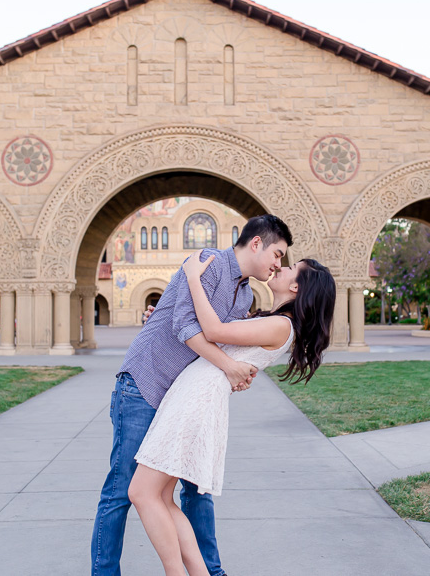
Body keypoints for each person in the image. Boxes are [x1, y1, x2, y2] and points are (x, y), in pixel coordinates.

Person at [91, 215, 293, 576]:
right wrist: (229, 367)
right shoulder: (207, 263)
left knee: (195, 491)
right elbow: (185, 326)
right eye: (277, 254)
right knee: (122, 490)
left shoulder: (245, 293)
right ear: (257, 243)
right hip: (144, 384)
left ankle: (211, 571)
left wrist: (232, 365)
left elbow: (218, 336)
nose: (279, 264)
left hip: (181, 397)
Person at [128, 252, 336, 576]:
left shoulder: (281, 325)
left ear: (298, 287)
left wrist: (192, 277)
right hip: (195, 395)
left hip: (196, 399)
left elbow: (212, 330)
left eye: (292, 267)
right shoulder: (274, 321)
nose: (281, 267)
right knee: (161, 497)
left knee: (141, 492)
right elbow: (215, 332)